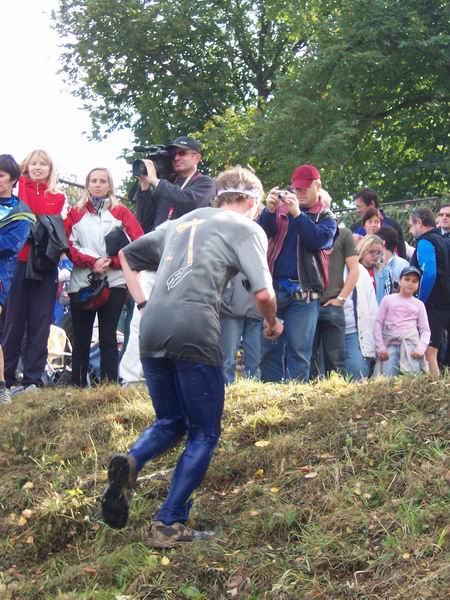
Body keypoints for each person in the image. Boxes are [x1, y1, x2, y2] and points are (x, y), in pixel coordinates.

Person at [102, 166, 281, 548]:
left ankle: (132, 461)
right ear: (251, 201)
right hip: (195, 328)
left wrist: (143, 302)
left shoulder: (180, 223)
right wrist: (270, 323)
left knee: (171, 419)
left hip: (151, 328)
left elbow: (126, 255)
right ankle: (169, 523)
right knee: (204, 431)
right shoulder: (246, 227)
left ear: (218, 197)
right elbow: (263, 294)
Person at [120, 136, 216, 386]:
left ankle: (171, 377)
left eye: (183, 153)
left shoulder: (204, 183)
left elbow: (191, 202)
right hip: (155, 263)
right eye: (174, 153)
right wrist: (144, 188)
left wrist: (156, 182)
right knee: (141, 320)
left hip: (184, 265)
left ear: (197, 157)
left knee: (177, 324)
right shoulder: (167, 184)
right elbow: (146, 221)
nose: (177, 157)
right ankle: (131, 378)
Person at [65, 168, 143, 387]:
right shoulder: (74, 212)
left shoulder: (122, 212)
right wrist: (92, 262)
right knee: (81, 337)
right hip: (82, 283)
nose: (97, 185)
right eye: (93, 181)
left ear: (110, 186)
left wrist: (111, 261)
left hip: (115, 281)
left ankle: (108, 386)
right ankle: (78, 386)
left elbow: (137, 244)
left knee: (109, 337)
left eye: (102, 181)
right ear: (87, 184)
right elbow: (68, 245)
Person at [258, 164, 337, 382]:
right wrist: (270, 210)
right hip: (275, 290)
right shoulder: (283, 211)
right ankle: (269, 398)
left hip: (305, 294)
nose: (299, 193)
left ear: (317, 186)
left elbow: (318, 240)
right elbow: (263, 233)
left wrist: (296, 214)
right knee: (269, 350)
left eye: (304, 188)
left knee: (299, 352)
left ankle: (294, 400)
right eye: (296, 189)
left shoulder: (327, 217)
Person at [2, 149, 66, 394]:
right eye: (33, 164)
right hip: (18, 262)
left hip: (45, 264)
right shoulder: (18, 191)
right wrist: (25, 184)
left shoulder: (58, 197)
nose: (38, 168)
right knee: (13, 321)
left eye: (43, 164)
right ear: (25, 169)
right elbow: (28, 212)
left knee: (40, 322)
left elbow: (38, 211)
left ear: (50, 170)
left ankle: (32, 378)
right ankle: (6, 377)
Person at [310, 191, 359, 378]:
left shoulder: (344, 234)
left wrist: (340, 298)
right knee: (307, 360)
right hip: (306, 303)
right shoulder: (304, 231)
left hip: (332, 302)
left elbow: (355, 270)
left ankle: (335, 399)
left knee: (336, 362)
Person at [0, 155, 35, 404]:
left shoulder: (21, 213)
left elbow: (11, 245)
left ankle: (1, 387)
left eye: (0, 175)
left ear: (13, 179)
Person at [409, 207, 450, 379]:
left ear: (419, 222)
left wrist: (420, 300)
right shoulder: (443, 240)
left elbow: (430, 273)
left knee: (429, 351)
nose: (411, 230)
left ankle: (436, 391)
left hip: (434, 304)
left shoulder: (425, 242)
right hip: (446, 301)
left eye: (411, 226)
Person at [373, 266, 430, 376]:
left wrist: (421, 348)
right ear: (400, 281)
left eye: (414, 281)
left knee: (411, 384)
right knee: (387, 382)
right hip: (389, 347)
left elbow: (425, 330)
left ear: (418, 284)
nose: (410, 283)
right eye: (407, 279)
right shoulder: (388, 300)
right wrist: (380, 347)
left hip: (411, 348)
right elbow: (378, 323)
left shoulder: (419, 304)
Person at [343, 262, 378, 380]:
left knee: (357, 369)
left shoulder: (361, 271)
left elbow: (373, 311)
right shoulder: (323, 264)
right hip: (327, 331)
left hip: (354, 332)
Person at [352, 188, 407, 258]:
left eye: (359, 207)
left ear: (372, 204)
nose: (358, 210)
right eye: (370, 222)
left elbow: (401, 253)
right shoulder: (355, 229)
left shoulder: (393, 226)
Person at [357, 234, 393, 304]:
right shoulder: (351, 269)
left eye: (379, 253)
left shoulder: (384, 273)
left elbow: (387, 298)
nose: (376, 256)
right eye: (372, 251)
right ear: (363, 249)